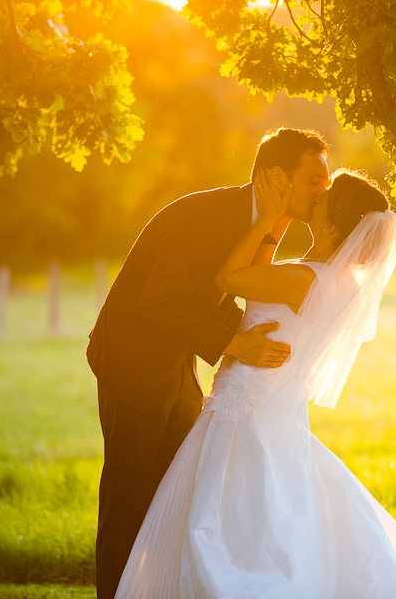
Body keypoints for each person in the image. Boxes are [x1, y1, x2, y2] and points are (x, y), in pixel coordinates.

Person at [114, 169, 396, 598]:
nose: (313, 200)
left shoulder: (305, 279)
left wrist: (268, 219)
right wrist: (274, 231)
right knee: (263, 504)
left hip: (247, 404)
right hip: (264, 400)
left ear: (332, 225)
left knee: (228, 512)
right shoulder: (326, 277)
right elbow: (260, 281)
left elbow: (230, 280)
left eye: (322, 200)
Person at [86, 128, 332, 599]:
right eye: (315, 181)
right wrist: (235, 345)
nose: (323, 192)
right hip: (131, 363)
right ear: (278, 177)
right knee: (130, 500)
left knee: (172, 500)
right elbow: (158, 301)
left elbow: (208, 295)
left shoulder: (256, 222)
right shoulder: (205, 216)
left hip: (177, 368)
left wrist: (247, 334)